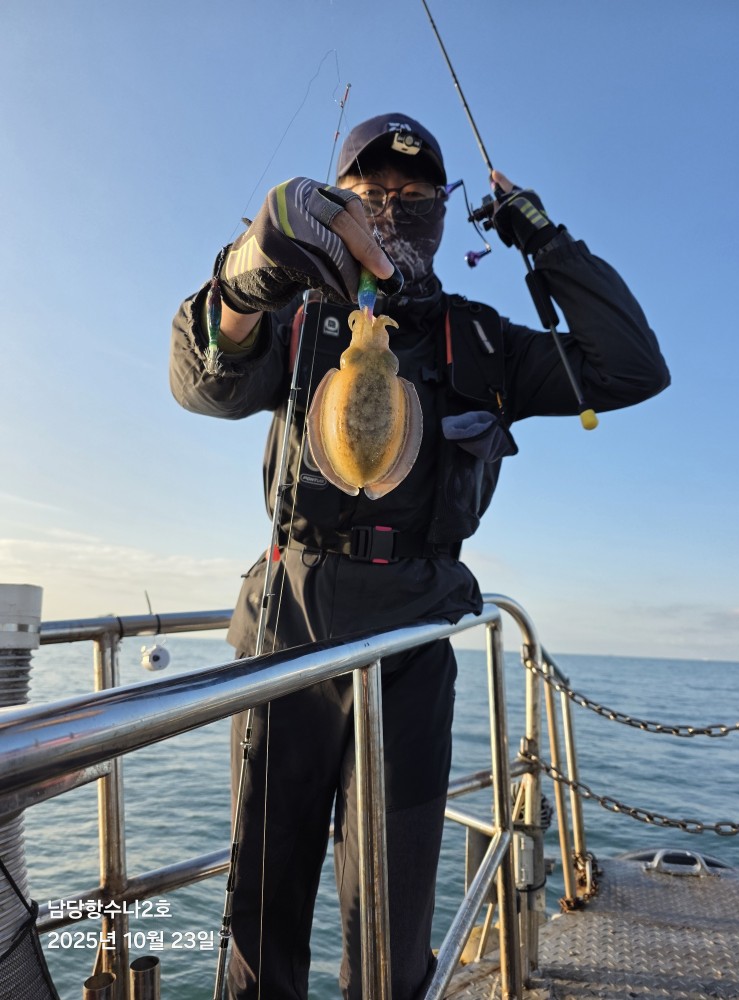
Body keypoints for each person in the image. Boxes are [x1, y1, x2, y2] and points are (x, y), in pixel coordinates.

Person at [170, 113, 670, 1000]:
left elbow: (631, 367)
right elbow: (202, 381)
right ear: (336, 205)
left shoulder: (484, 342)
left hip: (413, 635)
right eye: (367, 193)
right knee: (261, 916)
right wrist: (250, 271)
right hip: (289, 624)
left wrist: (542, 238)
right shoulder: (297, 318)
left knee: (393, 926)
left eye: (414, 194)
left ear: (443, 211)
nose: (391, 209)